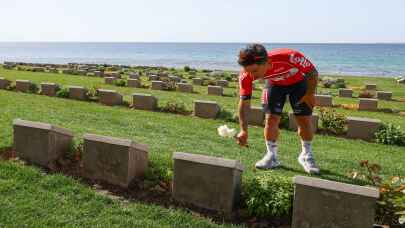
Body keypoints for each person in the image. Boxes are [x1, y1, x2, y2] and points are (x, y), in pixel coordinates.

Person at [236, 43, 320, 174]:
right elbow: (244, 103)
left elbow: (313, 72)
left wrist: (309, 94)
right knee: (271, 119)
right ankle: (272, 157)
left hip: (298, 84)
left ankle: (306, 155)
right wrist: (243, 130)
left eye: (254, 71)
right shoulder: (246, 75)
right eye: (248, 71)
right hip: (274, 85)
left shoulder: (290, 57)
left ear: (267, 62)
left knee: (304, 120)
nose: (251, 76)